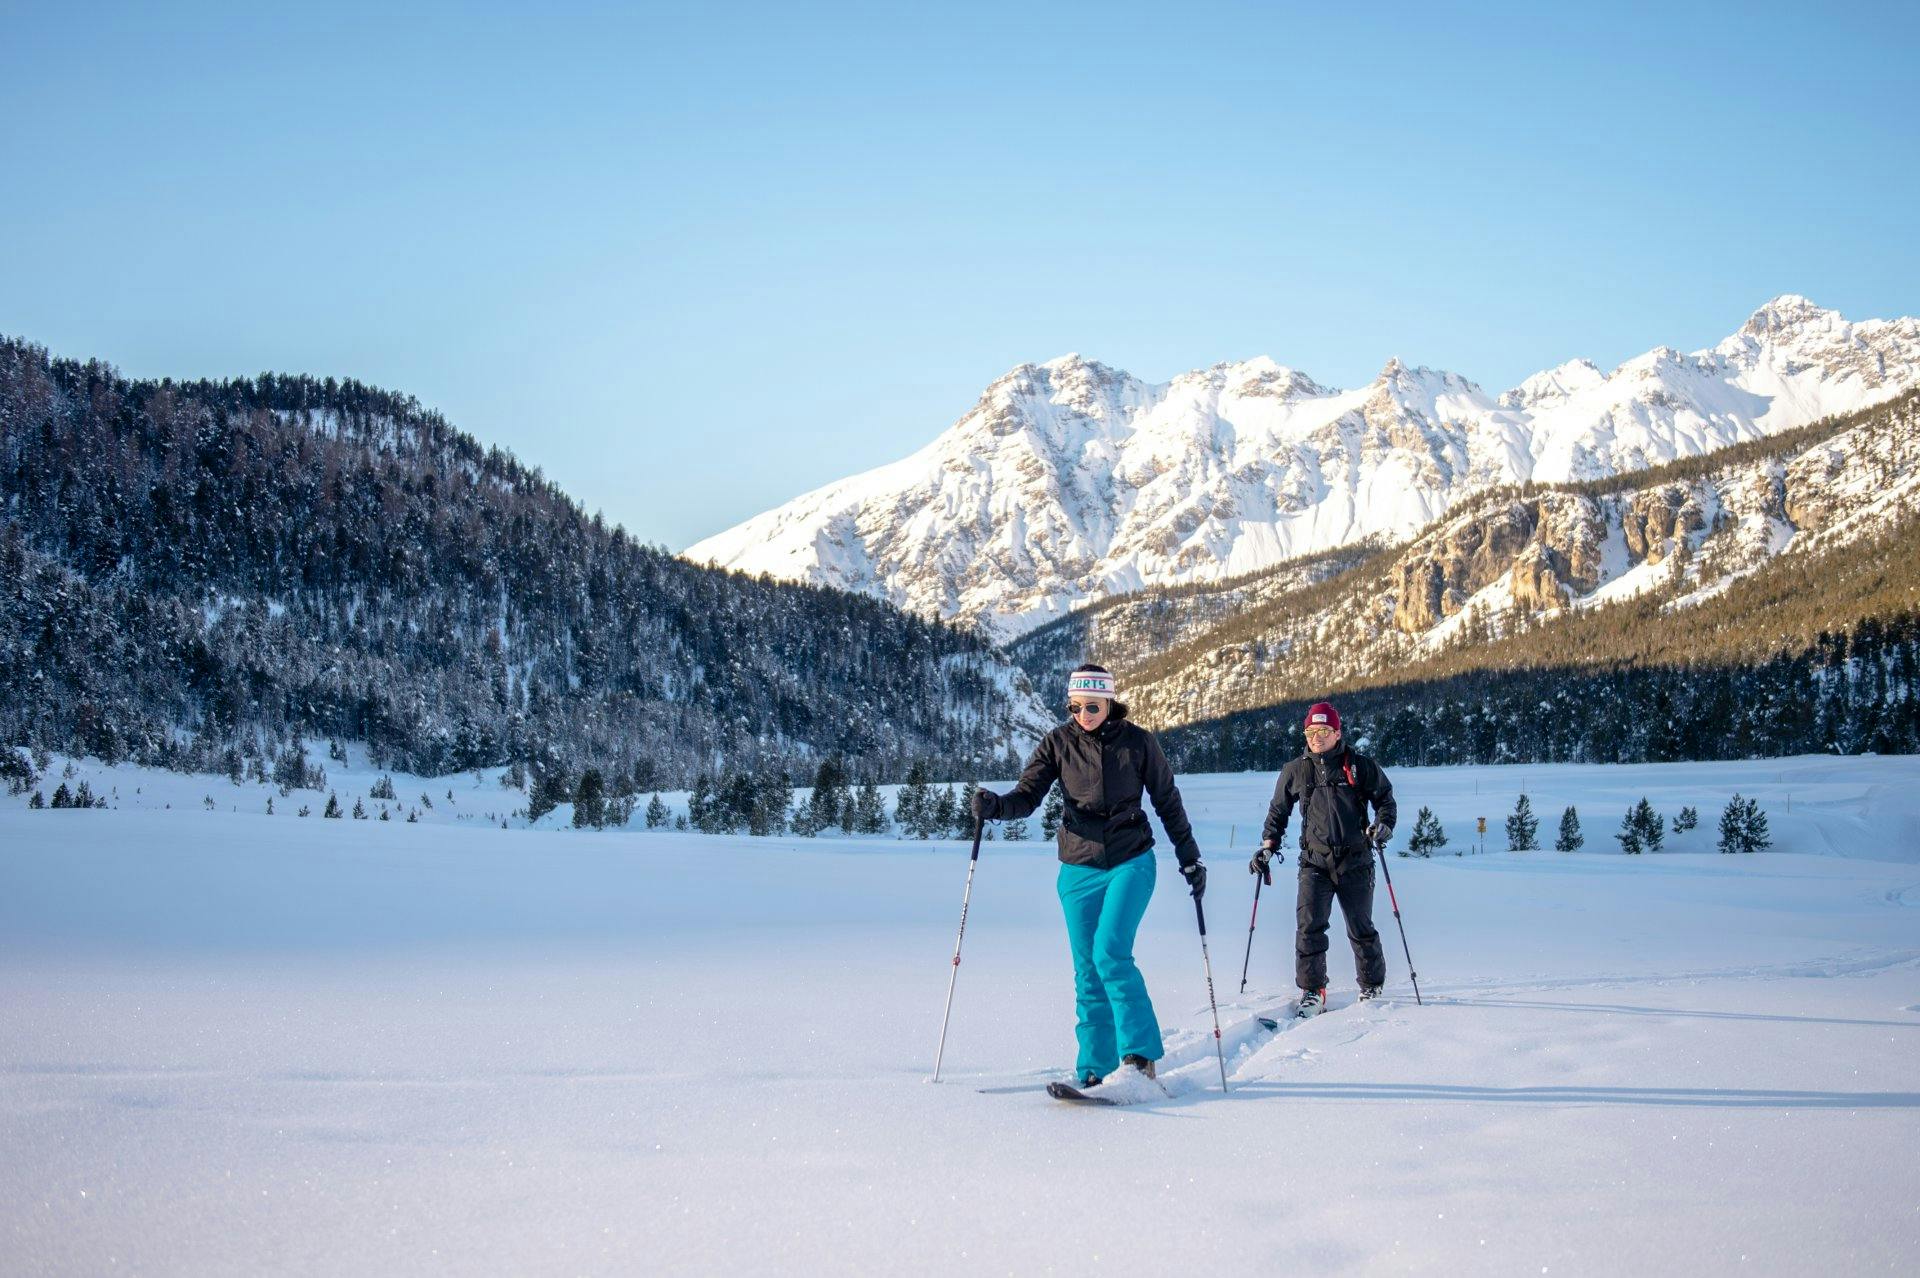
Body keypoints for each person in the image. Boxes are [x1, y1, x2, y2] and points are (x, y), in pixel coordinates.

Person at [972, 663, 1205, 1089]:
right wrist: (996, 808)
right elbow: (1027, 796)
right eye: (1075, 706)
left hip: (1130, 861)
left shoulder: (1138, 743)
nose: (1083, 714)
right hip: (1078, 868)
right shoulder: (1058, 743)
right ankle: (1095, 1069)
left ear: (1110, 702)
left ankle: (1140, 1058)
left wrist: (1190, 857)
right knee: (1087, 970)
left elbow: (1167, 800)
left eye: (1092, 706)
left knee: (1110, 952)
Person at [1249, 702, 1397, 1017]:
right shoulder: (1296, 770)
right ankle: (1312, 991)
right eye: (1311, 732)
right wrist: (1267, 847)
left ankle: (1371, 985)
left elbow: (1385, 798)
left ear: (1337, 733)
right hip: (1314, 861)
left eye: (1324, 731)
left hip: (1356, 860)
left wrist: (1383, 824)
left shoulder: (1359, 765)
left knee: (1361, 927)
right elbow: (1278, 812)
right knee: (1309, 927)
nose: (1317, 737)